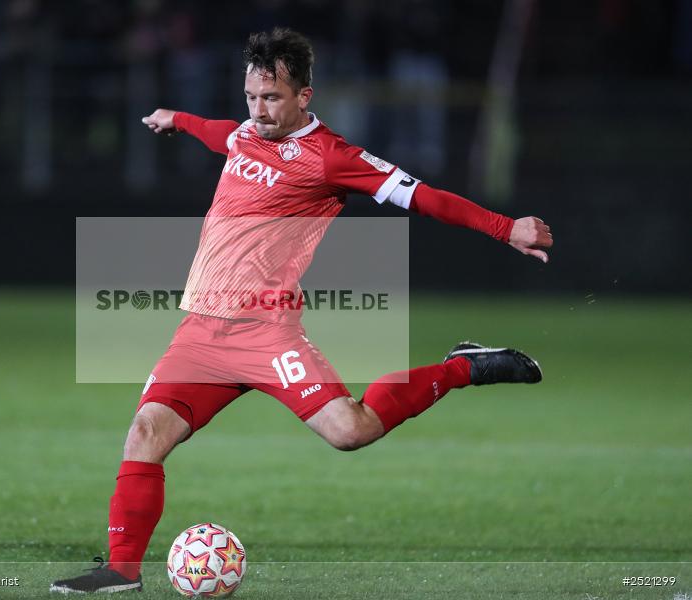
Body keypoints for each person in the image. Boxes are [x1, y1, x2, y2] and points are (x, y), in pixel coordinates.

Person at [51, 27, 552, 595]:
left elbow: (425, 197)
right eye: (251, 97)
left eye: (272, 98)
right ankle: (120, 572)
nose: (259, 111)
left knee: (350, 431)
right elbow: (222, 135)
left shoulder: (333, 158)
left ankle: (463, 368)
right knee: (144, 433)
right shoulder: (245, 133)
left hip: (267, 332)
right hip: (199, 333)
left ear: (304, 96)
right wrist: (180, 120)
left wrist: (505, 227)